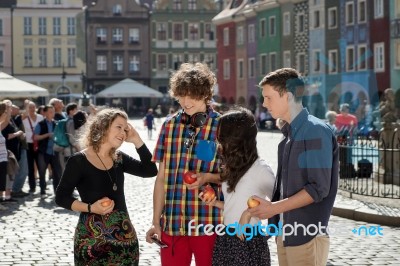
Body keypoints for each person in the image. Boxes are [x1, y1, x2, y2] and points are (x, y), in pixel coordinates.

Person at [249, 68, 339, 266]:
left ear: (287, 96)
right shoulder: (289, 135)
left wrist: (273, 208)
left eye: (268, 98)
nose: (264, 104)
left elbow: (318, 189)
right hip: (286, 234)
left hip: (306, 236)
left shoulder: (315, 131)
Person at [55, 108, 158, 265]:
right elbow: (61, 198)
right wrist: (91, 208)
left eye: (125, 129)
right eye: (118, 127)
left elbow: (150, 170)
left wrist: (137, 140)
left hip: (125, 240)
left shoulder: (119, 159)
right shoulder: (78, 161)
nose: (123, 133)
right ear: (103, 126)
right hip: (91, 241)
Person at [145, 62, 222, 266]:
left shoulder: (222, 126)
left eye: (192, 96)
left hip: (209, 223)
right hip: (172, 225)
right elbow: (161, 179)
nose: (185, 102)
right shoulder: (168, 126)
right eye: (181, 96)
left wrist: (207, 178)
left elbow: (234, 174)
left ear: (206, 94)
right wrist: (156, 222)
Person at [200, 107, 275, 265]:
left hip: (248, 241)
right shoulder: (232, 167)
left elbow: (278, 206)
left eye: (222, 137)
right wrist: (215, 203)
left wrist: (248, 214)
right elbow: (234, 205)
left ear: (236, 138)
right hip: (226, 239)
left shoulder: (260, 170)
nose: (219, 142)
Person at [34, 105, 62, 199]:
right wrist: (47, 135)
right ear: (45, 113)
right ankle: (42, 191)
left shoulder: (57, 123)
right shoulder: (40, 124)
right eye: (50, 112)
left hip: (55, 152)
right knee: (42, 173)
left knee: (57, 173)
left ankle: (57, 192)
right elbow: (35, 137)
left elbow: (60, 137)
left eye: (53, 112)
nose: (52, 114)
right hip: (43, 152)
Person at [22, 101, 44, 194]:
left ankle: (43, 187)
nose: (32, 109)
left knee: (41, 166)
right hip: (29, 144)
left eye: (33, 106)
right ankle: (32, 186)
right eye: (30, 107)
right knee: (30, 167)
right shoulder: (24, 118)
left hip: (40, 143)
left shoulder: (40, 117)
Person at [0, 102, 9, 210]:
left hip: (3, 158)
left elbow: (6, 121)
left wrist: (8, 109)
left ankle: (0, 202)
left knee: (2, 181)